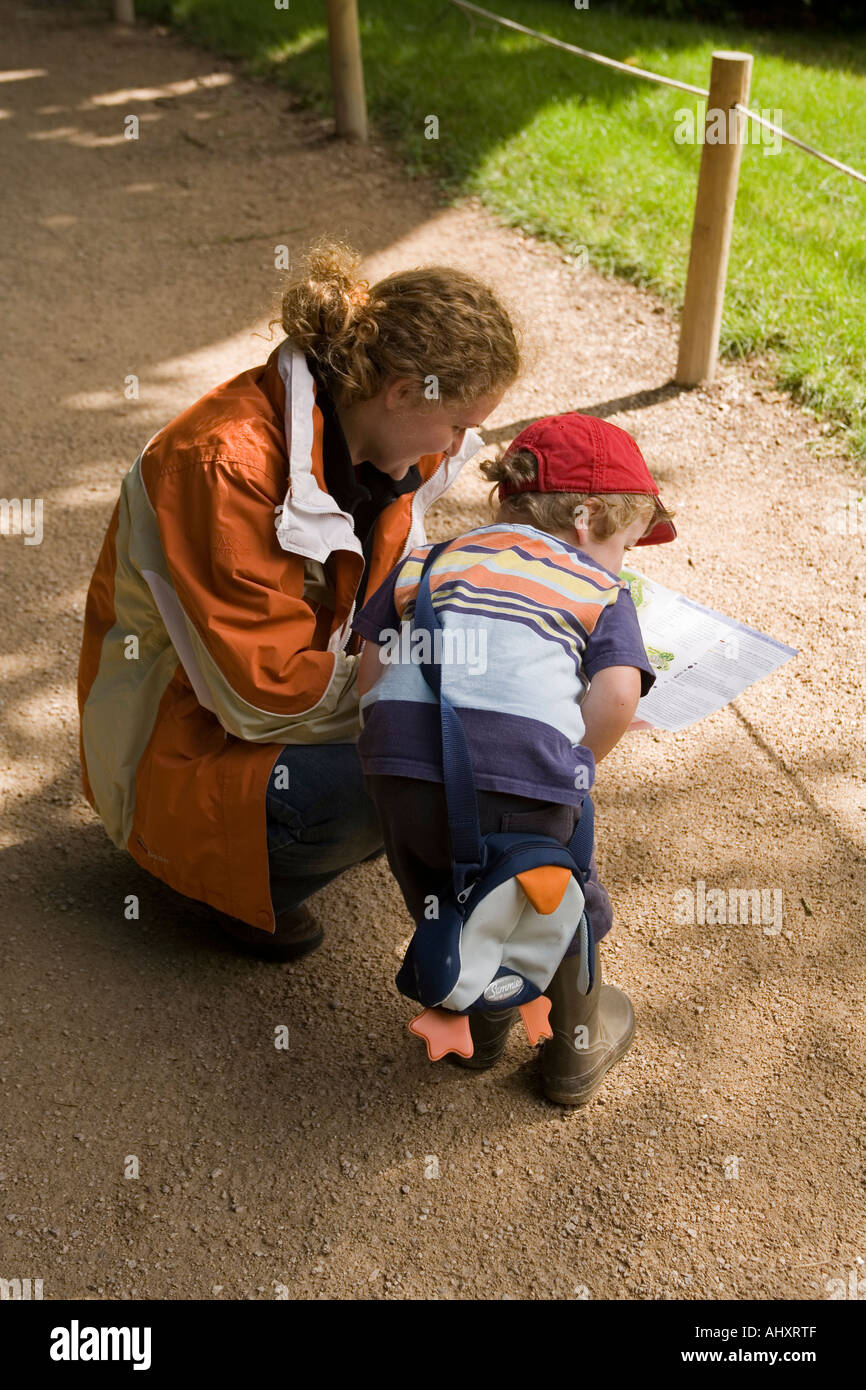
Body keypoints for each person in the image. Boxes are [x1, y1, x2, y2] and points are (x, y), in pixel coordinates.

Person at [77, 241, 520, 959]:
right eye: (461, 423)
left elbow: (391, 582)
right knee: (423, 757)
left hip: (260, 694)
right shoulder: (225, 465)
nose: (466, 444)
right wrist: (448, 691)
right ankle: (214, 880)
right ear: (403, 391)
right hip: (181, 741)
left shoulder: (389, 438)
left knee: (457, 736)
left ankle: (306, 841)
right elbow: (263, 698)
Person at [352, 412, 676, 1104]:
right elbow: (618, 695)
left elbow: (372, 667)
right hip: (520, 782)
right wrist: (576, 757)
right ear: (586, 517)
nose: (623, 562)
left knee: (450, 889)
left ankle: (477, 1015)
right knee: (551, 892)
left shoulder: (428, 559)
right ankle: (574, 1054)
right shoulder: (599, 589)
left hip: (397, 772)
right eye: (625, 544)